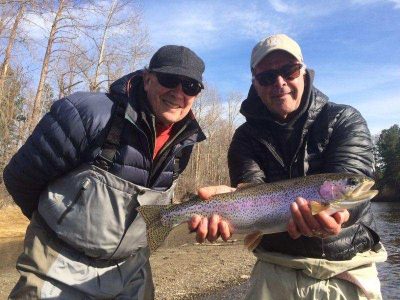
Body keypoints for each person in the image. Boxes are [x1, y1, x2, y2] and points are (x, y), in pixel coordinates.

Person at [190, 34, 387, 299]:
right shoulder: (245, 137)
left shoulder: (343, 119)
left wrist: (340, 216)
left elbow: (354, 179)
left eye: (288, 70)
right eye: (267, 77)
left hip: (344, 270)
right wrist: (226, 205)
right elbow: (252, 189)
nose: (279, 83)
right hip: (274, 270)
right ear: (255, 84)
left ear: (304, 72)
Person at [3, 45, 207, 299]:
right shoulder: (87, 113)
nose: (179, 93)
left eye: (190, 86)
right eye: (169, 80)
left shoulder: (184, 143)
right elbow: (20, 178)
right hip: (58, 266)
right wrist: (58, 227)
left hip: (131, 271)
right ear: (147, 79)